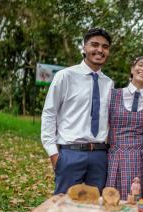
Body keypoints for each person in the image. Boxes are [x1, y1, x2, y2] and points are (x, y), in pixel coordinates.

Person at [41, 28, 114, 194]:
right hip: (70, 153)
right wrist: (53, 153)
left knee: (93, 210)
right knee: (63, 208)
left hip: (99, 156)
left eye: (105, 46)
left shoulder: (109, 84)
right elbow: (49, 113)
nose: (100, 50)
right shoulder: (65, 76)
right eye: (94, 45)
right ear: (84, 48)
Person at [106, 56, 143, 200]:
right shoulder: (111, 95)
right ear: (132, 69)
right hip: (113, 157)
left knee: (136, 201)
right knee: (112, 202)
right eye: (140, 65)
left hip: (140, 159)